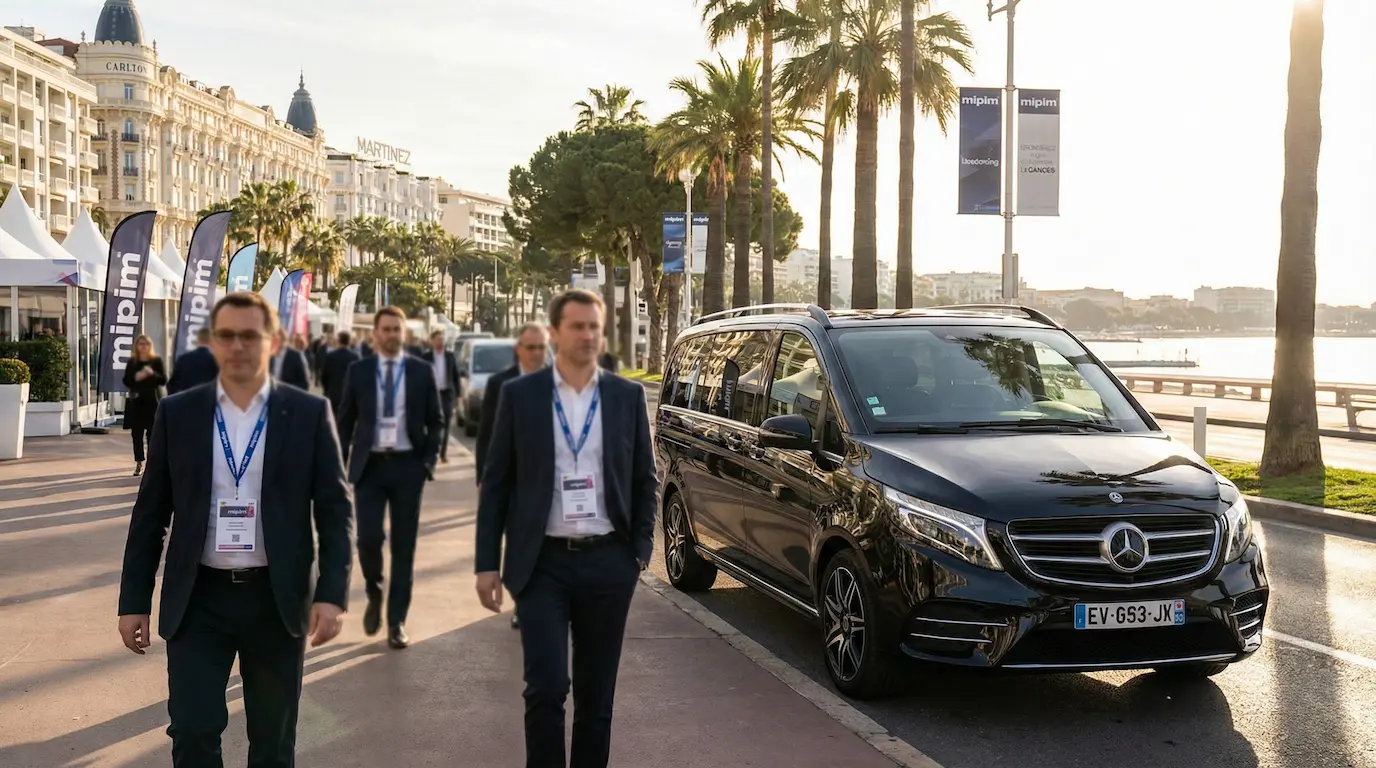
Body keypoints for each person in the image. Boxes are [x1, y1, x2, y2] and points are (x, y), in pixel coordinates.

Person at [116, 291, 353, 768]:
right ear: (212, 343)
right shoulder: (178, 413)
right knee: (193, 731)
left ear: (274, 340)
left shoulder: (308, 414)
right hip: (198, 600)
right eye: (227, 336)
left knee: (273, 741)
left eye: (250, 335)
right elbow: (150, 515)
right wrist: (133, 601)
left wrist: (331, 593)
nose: (238, 346)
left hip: (275, 600)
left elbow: (334, 510)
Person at [475, 289, 656, 768]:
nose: (588, 335)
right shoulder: (521, 396)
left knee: (597, 702)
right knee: (547, 688)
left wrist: (640, 549)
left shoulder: (627, 395)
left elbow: (645, 479)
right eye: (577, 326)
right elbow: (496, 483)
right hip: (542, 564)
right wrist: (485, 564)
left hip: (609, 562)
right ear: (554, 333)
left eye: (594, 326)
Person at [337, 306, 444, 649]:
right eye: (386, 329)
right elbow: (344, 421)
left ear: (404, 334)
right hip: (369, 467)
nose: (392, 335)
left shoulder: (421, 372)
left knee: (404, 547)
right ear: (375, 334)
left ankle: (396, 620)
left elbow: (437, 421)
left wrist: (427, 462)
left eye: (397, 329)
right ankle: (374, 588)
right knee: (367, 539)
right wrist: (337, 465)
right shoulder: (358, 371)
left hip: (406, 467)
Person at [474, 321, 550, 630]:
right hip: (509, 477)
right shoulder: (500, 384)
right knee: (515, 538)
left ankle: (538, 597)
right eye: (530, 347)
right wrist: (483, 476)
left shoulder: (558, 382)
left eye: (541, 348)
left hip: (543, 480)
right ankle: (521, 601)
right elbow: (486, 435)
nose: (535, 354)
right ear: (518, 349)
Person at [122, 334, 167, 477]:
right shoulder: (133, 362)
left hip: (152, 402)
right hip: (136, 403)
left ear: (150, 346)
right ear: (137, 346)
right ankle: (139, 463)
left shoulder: (156, 361)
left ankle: (151, 464)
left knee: (152, 435)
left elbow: (163, 380)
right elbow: (127, 381)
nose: (143, 347)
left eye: (146, 344)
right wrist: (137, 377)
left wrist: (152, 374)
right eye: (140, 344)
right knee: (137, 435)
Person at [420, 330, 462, 464]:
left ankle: (443, 454)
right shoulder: (426, 357)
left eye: (442, 339)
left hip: (446, 393)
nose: (441, 342)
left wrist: (458, 395)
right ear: (432, 341)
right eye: (438, 339)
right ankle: (431, 450)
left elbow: (456, 376)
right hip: (431, 394)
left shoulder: (450, 356)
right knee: (431, 423)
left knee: (446, 423)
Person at [166, 327, 219, 395]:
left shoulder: (183, 359)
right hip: (208, 402)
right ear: (212, 341)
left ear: (198, 339)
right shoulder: (217, 361)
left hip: (185, 401)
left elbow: (172, 385)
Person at [320, 330, 361, 416]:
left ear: (338, 341)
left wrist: (326, 389)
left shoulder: (331, 356)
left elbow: (324, 375)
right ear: (349, 341)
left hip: (333, 393)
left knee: (332, 419)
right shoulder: (355, 357)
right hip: (350, 395)